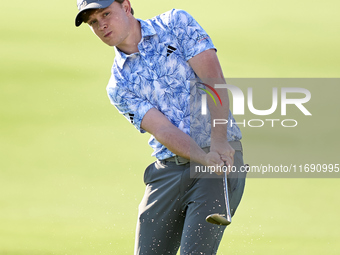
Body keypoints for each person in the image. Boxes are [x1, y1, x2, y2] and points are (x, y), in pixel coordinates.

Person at [75, 0, 247, 254]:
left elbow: (214, 81)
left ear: (126, 6)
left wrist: (219, 141)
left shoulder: (176, 23)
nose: (102, 25)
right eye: (93, 22)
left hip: (218, 158)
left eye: (106, 14)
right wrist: (201, 156)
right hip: (168, 171)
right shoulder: (118, 85)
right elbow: (164, 130)